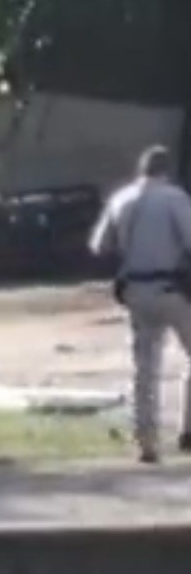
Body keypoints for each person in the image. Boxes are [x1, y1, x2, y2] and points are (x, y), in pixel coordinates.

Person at [89, 145, 191, 464]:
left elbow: (99, 246)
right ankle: (187, 429)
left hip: (135, 288)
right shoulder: (174, 198)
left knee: (145, 368)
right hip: (171, 287)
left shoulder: (121, 199)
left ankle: (146, 443)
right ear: (166, 171)